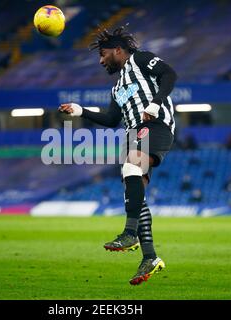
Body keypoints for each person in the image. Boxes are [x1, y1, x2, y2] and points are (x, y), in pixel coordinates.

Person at [58, 26, 177, 285]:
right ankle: (150, 257)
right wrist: (81, 111)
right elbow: (112, 119)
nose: (101, 61)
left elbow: (169, 74)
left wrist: (155, 102)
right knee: (136, 194)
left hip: (155, 127)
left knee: (131, 168)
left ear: (118, 50)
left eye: (103, 54)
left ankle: (129, 233)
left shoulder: (141, 59)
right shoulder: (117, 88)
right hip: (133, 135)